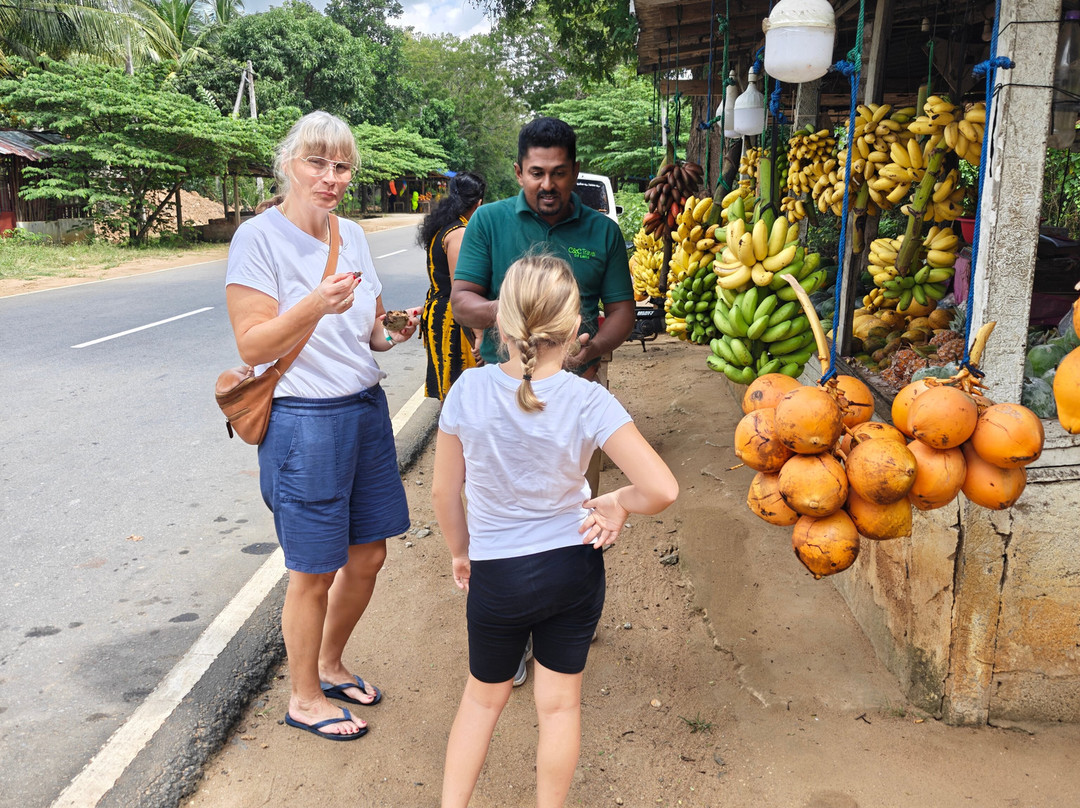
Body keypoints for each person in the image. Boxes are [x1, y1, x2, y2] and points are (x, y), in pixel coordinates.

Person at [432, 254, 678, 808]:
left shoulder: (467, 393)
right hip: (573, 565)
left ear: (499, 323)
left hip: (496, 573)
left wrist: (460, 553)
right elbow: (661, 490)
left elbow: (444, 493)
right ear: (573, 331)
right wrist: (615, 502)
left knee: (481, 701)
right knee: (560, 705)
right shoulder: (589, 398)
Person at [224, 110, 418, 741]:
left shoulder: (353, 235)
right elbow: (253, 346)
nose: (331, 177)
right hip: (305, 421)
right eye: (317, 163)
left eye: (341, 165)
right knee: (313, 569)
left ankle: (329, 663)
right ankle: (304, 698)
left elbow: (370, 332)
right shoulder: (258, 240)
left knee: (369, 554)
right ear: (289, 165)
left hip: (364, 409)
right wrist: (314, 301)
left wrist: (394, 331)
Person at [450, 116, 635, 383]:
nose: (548, 185)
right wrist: (514, 310)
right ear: (519, 173)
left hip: (578, 381)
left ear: (575, 171)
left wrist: (592, 348)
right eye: (537, 173)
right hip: (503, 381)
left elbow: (623, 312)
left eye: (559, 173)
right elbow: (461, 303)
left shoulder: (603, 231)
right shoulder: (487, 221)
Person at [416, 171, 486, 400]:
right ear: (479, 203)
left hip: (438, 313)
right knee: (461, 392)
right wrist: (479, 334)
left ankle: (448, 433)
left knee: (449, 389)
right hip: (454, 320)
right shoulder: (459, 233)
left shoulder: (442, 227)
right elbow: (461, 290)